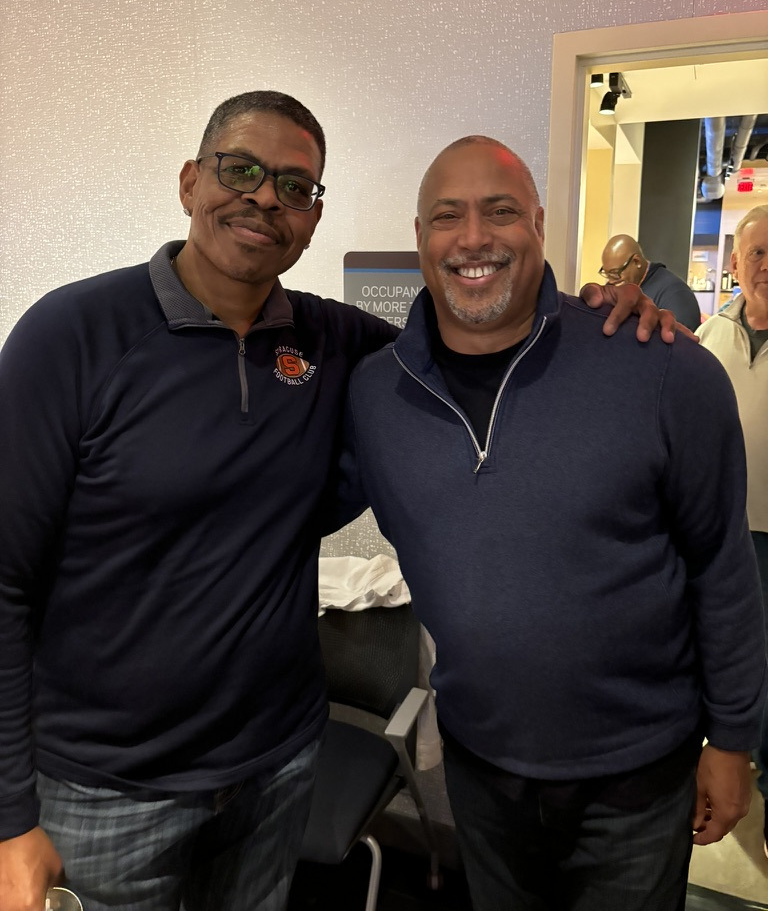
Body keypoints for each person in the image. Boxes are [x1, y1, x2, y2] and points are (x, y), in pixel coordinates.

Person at [0, 92, 675, 911]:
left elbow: (475, 342)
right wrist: (9, 816)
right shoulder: (70, 336)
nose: (264, 198)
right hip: (102, 791)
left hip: (274, 767)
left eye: (294, 186)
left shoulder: (334, 343)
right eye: (239, 170)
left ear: (313, 217)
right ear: (189, 182)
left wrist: (598, 316)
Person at [336, 136, 767, 911]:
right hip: (480, 768)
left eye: (500, 211)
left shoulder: (664, 370)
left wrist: (734, 741)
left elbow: (724, 570)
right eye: (448, 216)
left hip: (639, 777)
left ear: (538, 224)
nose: (473, 237)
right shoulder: (374, 395)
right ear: (421, 237)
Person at [696, 204, 768, 858]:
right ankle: (729, 756)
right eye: (758, 253)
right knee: (729, 655)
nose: (766, 266)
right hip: (721, 536)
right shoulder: (709, 336)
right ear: (737, 263)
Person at [600, 233, 702, 330]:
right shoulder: (616, 287)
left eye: (615, 273)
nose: (610, 281)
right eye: (607, 274)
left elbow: (680, 339)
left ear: (636, 262)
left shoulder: (676, 294)